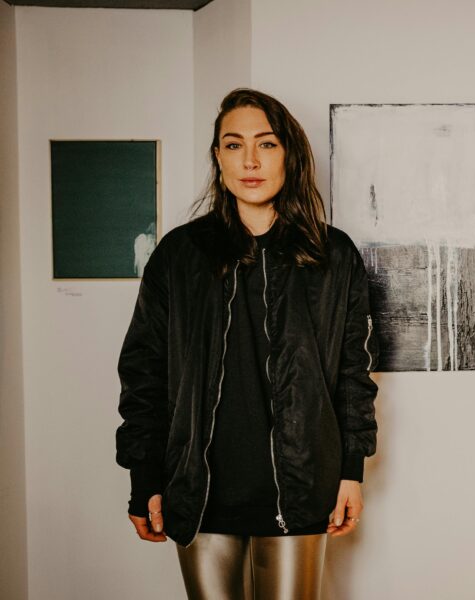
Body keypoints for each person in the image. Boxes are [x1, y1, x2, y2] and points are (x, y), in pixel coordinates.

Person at [114, 88, 379, 599]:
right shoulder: (180, 255)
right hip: (200, 489)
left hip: (301, 484)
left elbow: (353, 373)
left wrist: (352, 471)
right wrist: (143, 477)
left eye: (267, 144)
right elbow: (144, 371)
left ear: (289, 155)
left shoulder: (332, 254)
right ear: (218, 157)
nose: (250, 161)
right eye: (234, 145)